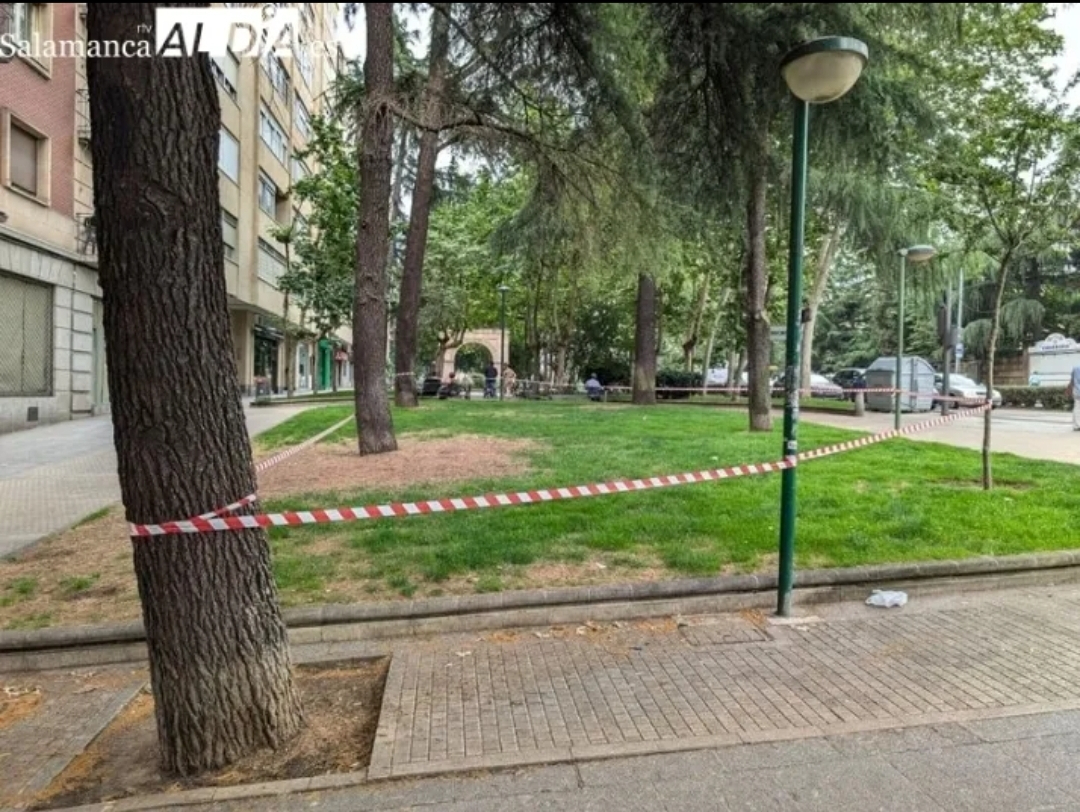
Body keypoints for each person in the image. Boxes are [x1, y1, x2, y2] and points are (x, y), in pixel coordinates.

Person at [1072, 364, 1080, 431]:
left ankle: (1076, 425)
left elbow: (1073, 381)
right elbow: (1077, 382)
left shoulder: (1075, 368)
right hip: (1078, 392)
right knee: (1077, 408)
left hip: (1076, 391)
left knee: (1077, 408)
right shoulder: (1077, 369)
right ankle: (1077, 425)